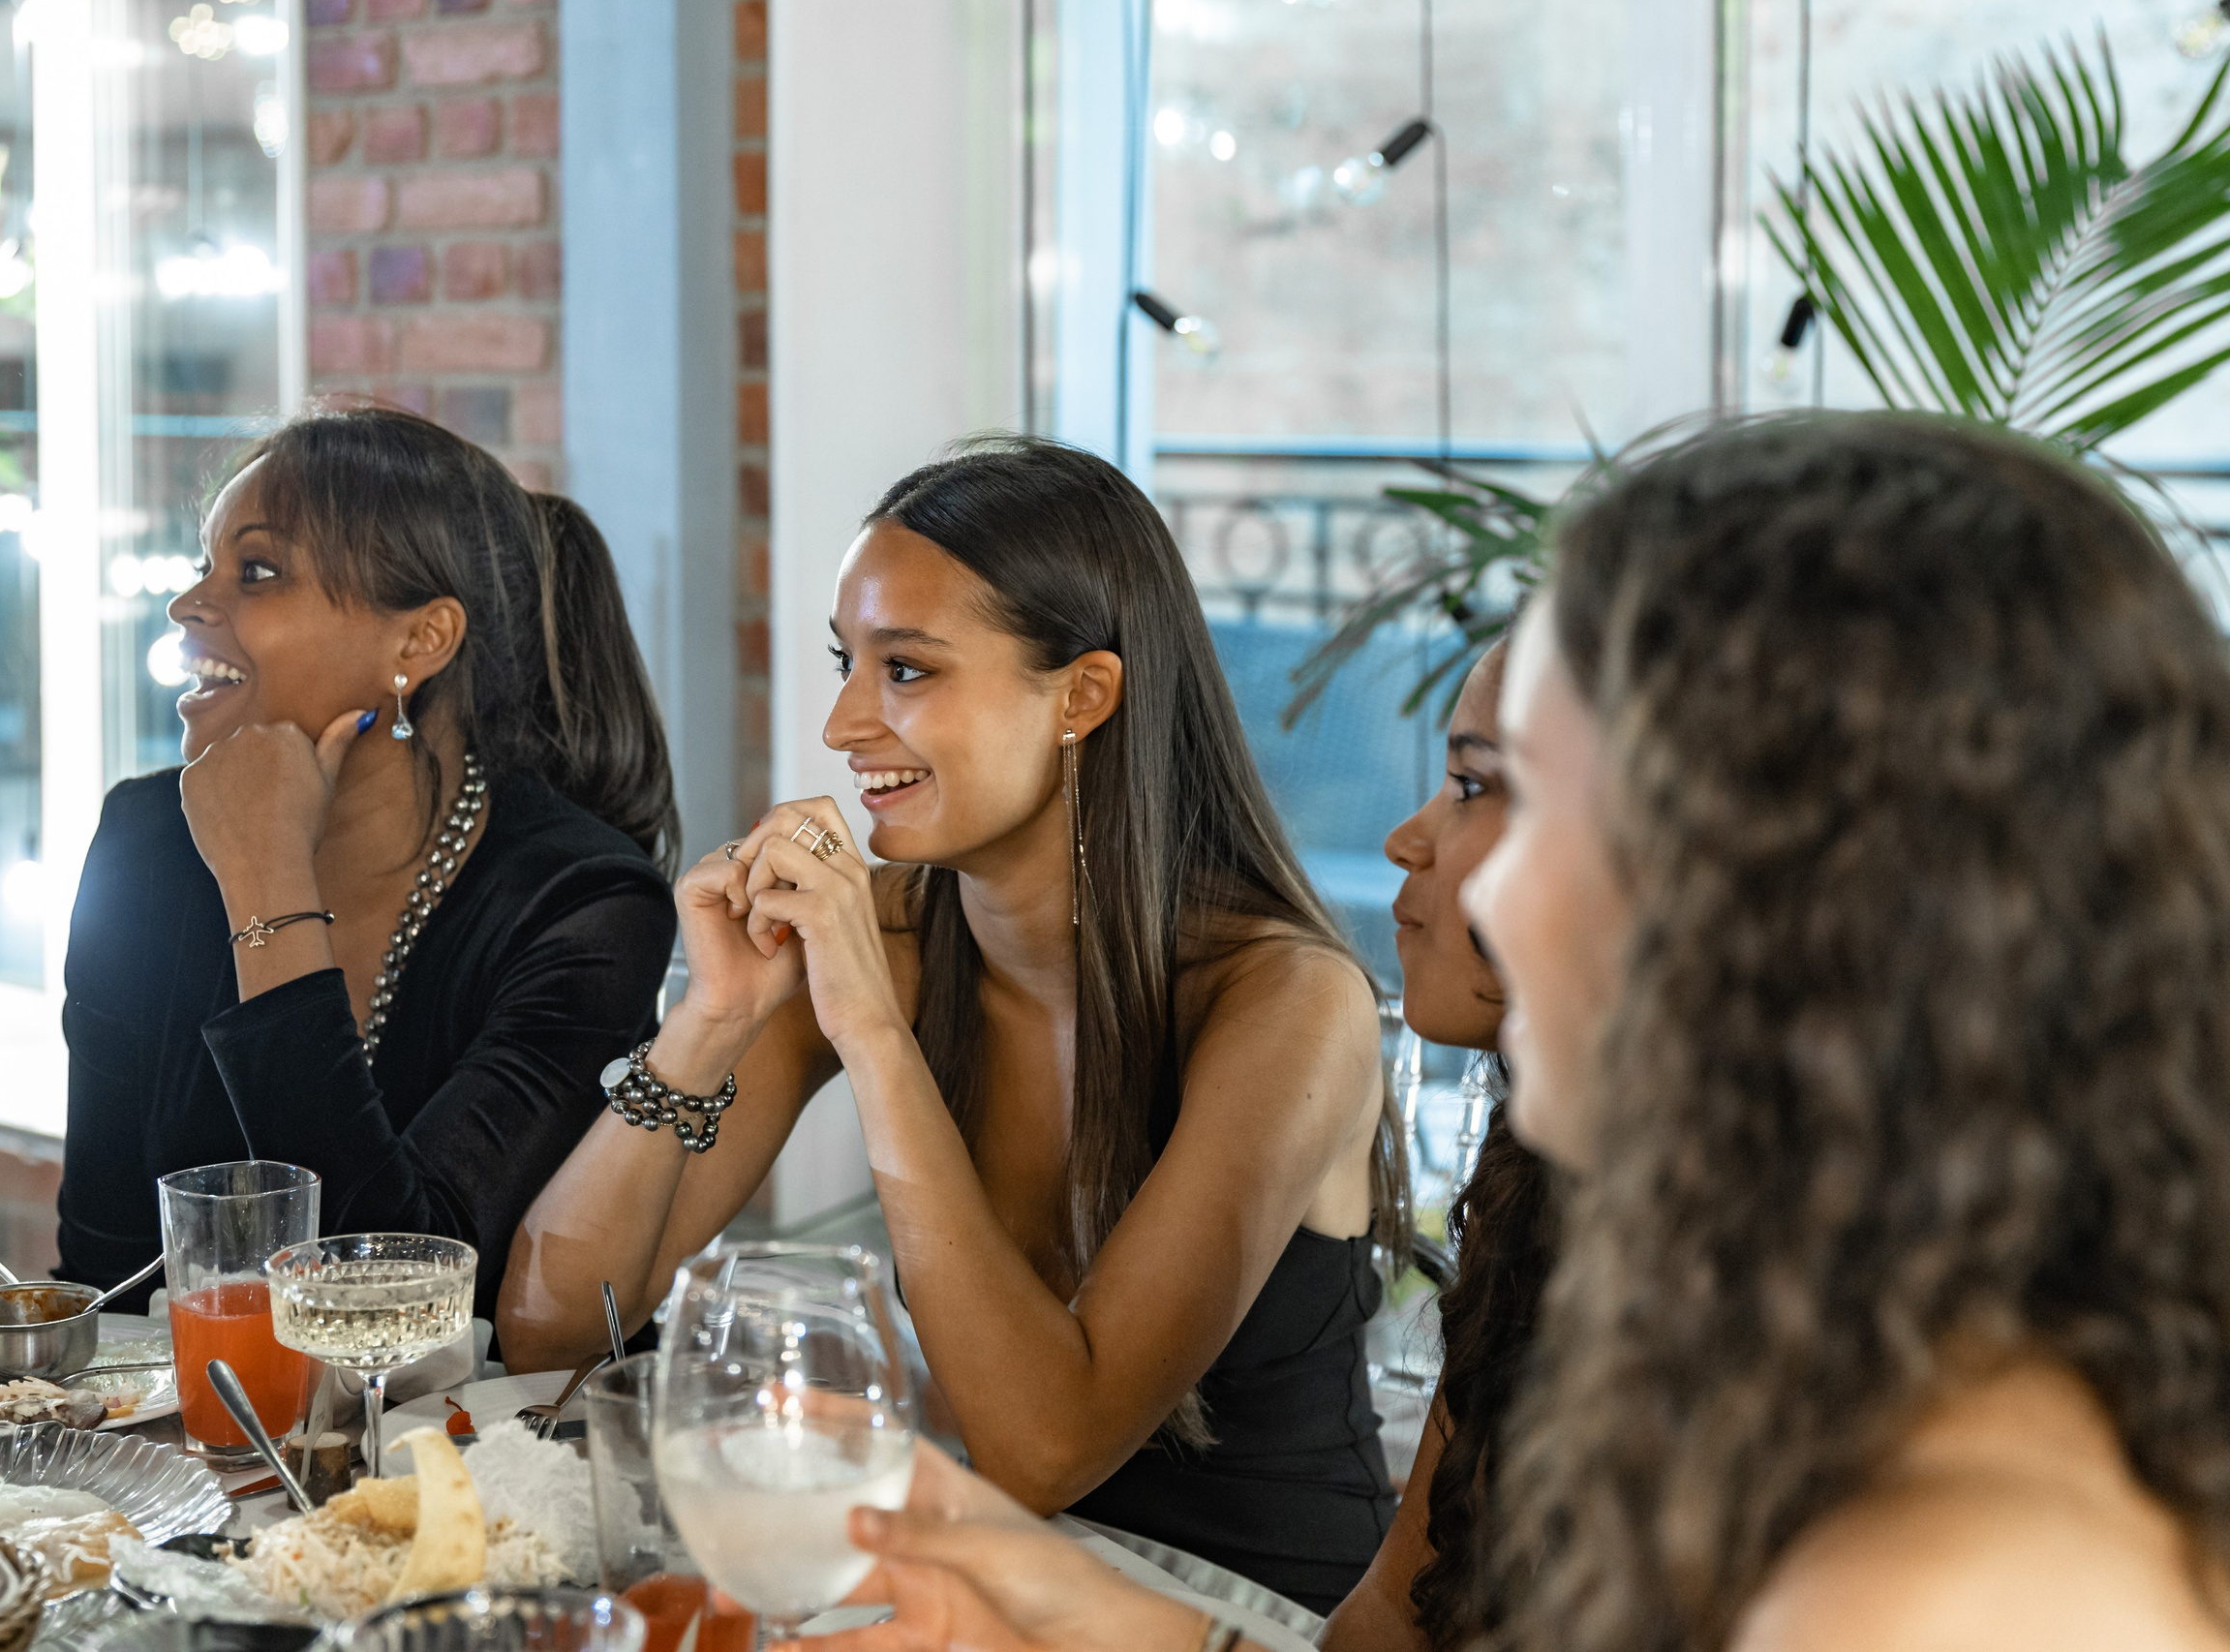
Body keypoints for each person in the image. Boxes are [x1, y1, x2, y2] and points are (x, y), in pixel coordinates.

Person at [781, 413, 2230, 1652]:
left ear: (1783, 876)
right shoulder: (1781, 1309)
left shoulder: (1966, 1578)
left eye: (1509, 791)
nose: (1448, 865)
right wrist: (1061, 1598)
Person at [497, 435, 1404, 1612]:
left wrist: (874, 1034)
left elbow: (1044, 1447)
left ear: (1082, 696)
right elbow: (553, 1330)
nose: (840, 725)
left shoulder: (1286, 1003)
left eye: (907, 671)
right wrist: (710, 1021)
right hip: (990, 1595)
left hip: (1243, 1618)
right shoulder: (880, 942)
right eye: (847, 663)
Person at [56, 406, 680, 1326]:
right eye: (204, 565)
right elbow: (102, 1280)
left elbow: (392, 1301)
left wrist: (267, 882)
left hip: (462, 1455)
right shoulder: (145, 842)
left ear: (418, 642)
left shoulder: (584, 904)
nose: (190, 605)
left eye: (256, 572)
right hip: (186, 1447)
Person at [1320, 637, 1559, 1652]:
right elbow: (1393, 1617)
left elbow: (1046, 1446)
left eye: (1469, 784)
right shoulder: (1542, 1188)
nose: (1405, 841)